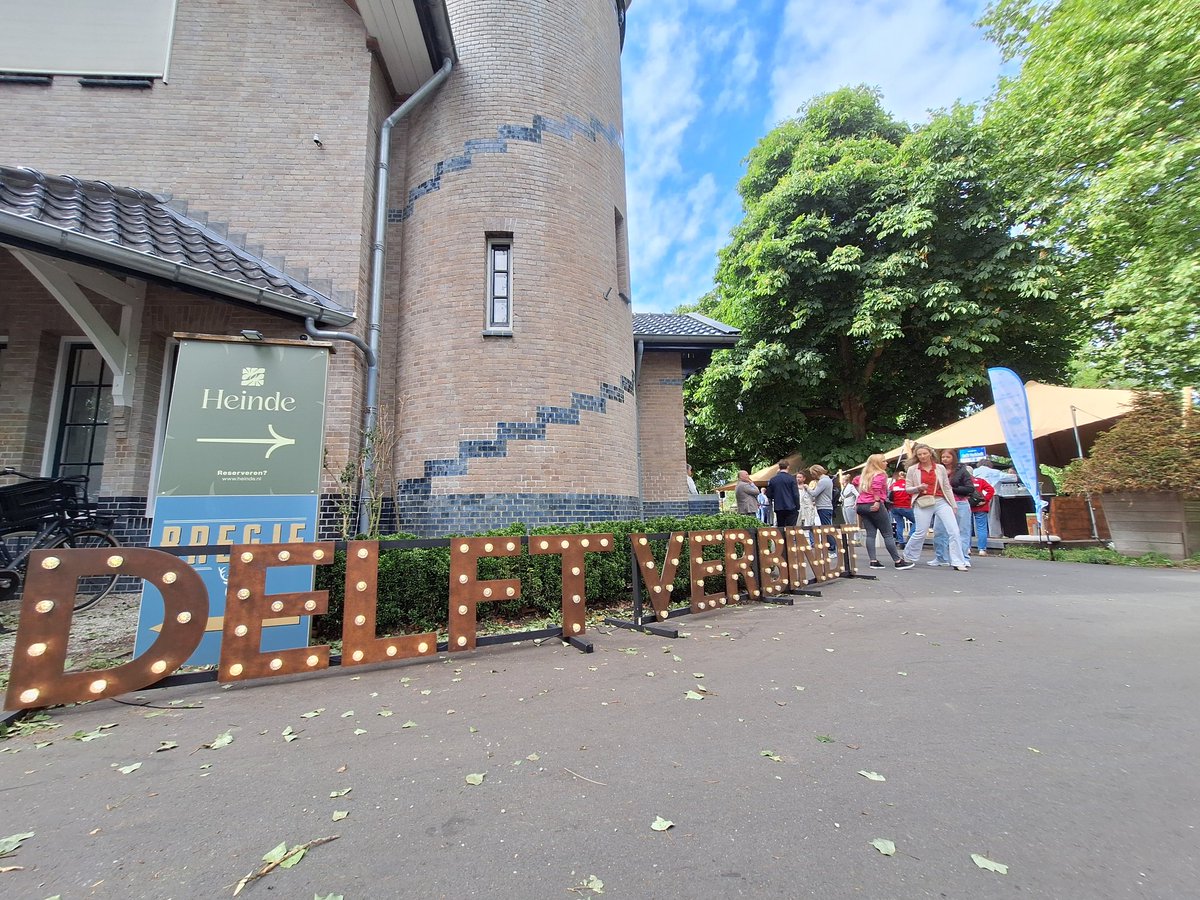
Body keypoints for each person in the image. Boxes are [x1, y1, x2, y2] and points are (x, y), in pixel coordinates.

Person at [901, 443, 969, 570]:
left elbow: (947, 487)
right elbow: (908, 489)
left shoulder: (939, 468)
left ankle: (958, 561)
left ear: (930, 454)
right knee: (920, 531)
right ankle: (908, 556)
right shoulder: (913, 469)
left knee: (954, 530)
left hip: (940, 501)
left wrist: (953, 504)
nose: (922, 456)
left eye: (925, 453)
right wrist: (918, 488)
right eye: (919, 454)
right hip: (923, 501)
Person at [856, 454, 913, 569]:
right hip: (874, 504)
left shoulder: (864, 475)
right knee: (887, 533)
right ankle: (897, 561)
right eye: (883, 461)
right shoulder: (880, 475)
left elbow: (855, 482)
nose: (886, 463)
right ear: (877, 463)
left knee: (870, 534)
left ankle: (873, 560)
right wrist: (877, 501)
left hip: (861, 505)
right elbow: (876, 488)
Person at [931, 449, 974, 567]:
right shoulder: (937, 470)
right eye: (943, 457)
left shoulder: (962, 471)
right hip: (942, 502)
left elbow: (970, 488)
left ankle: (964, 557)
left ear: (953, 458)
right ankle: (941, 557)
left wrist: (950, 488)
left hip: (960, 502)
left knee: (962, 531)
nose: (945, 459)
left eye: (947, 457)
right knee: (939, 530)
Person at [805, 464, 836, 553]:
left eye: (812, 473)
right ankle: (830, 546)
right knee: (827, 527)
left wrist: (807, 488)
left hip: (824, 507)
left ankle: (832, 548)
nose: (812, 476)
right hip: (826, 506)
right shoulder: (827, 480)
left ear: (816, 472)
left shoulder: (823, 481)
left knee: (826, 528)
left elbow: (814, 493)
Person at [766, 459, 801, 527]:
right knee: (791, 528)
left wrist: (776, 496)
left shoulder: (773, 480)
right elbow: (796, 494)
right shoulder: (791, 479)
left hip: (779, 507)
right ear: (788, 467)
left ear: (779, 467)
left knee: (781, 527)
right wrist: (797, 506)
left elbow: (769, 494)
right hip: (791, 506)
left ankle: (782, 537)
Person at [969, 474, 996, 556]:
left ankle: (967, 548)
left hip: (967, 506)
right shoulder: (980, 481)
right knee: (982, 528)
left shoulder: (963, 482)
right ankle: (982, 549)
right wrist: (985, 500)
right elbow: (991, 490)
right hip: (981, 506)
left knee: (966, 528)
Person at [890, 466, 914, 545]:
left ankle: (901, 541)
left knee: (899, 524)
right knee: (916, 522)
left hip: (894, 507)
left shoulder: (893, 485)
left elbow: (890, 495)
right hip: (906, 506)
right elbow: (911, 495)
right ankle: (910, 536)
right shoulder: (908, 485)